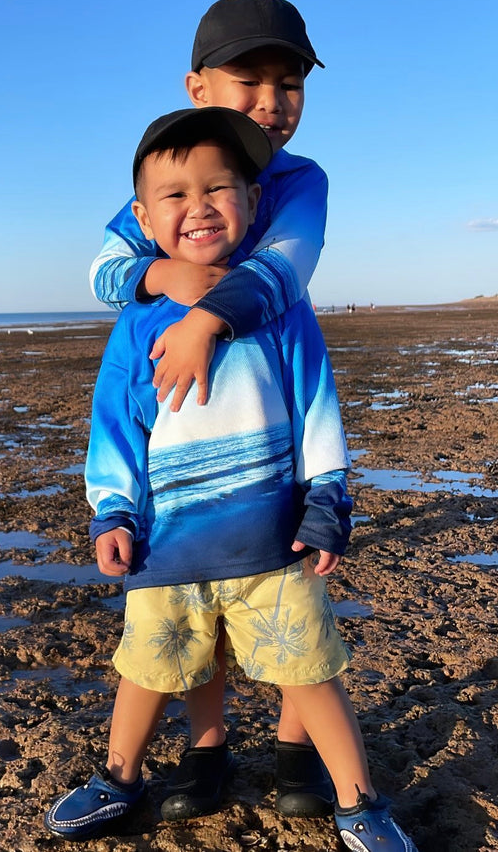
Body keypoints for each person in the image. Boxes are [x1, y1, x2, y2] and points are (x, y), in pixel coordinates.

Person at [45, 108, 419, 852]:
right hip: (168, 549)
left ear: (253, 201)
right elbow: (115, 429)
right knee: (150, 667)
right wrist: (112, 513)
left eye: (220, 189)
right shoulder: (137, 326)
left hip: (272, 544)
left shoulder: (279, 308)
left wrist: (327, 499)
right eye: (175, 196)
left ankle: (358, 798)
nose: (199, 206)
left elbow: (317, 406)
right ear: (143, 219)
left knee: (310, 668)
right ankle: (121, 774)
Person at [89, 0, 334, 819]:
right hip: (191, 440)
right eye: (248, 80)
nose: (271, 101)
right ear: (198, 86)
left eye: (289, 82)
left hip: (268, 403)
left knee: (294, 596)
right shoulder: (167, 173)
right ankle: (208, 747)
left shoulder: (298, 181)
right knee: (200, 596)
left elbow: (286, 270)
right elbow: (103, 269)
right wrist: (158, 278)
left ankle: (299, 752)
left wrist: (202, 320)